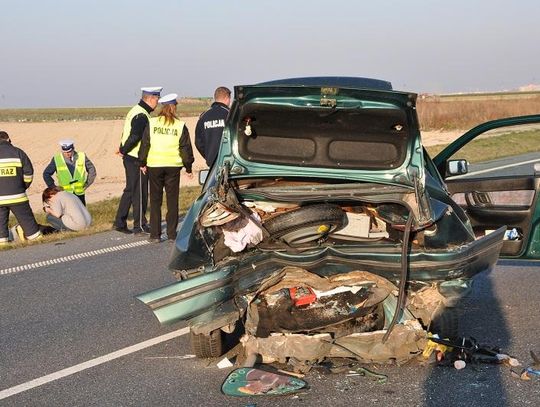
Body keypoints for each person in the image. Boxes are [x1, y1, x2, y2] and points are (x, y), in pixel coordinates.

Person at [138, 93, 194, 242]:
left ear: (162, 107)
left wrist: (142, 163)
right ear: (174, 107)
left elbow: (145, 144)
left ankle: (155, 235)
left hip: (155, 165)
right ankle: (172, 234)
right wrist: (188, 168)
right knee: (172, 200)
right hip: (173, 167)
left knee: (155, 201)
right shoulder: (180, 125)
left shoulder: (152, 123)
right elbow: (185, 149)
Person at [113, 86, 162, 235]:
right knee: (139, 192)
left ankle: (119, 222)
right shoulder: (141, 115)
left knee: (130, 190)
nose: (157, 103)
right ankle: (139, 225)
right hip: (136, 158)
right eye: (157, 99)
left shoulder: (135, 110)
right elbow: (134, 136)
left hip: (130, 157)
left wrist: (123, 149)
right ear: (150, 98)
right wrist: (124, 150)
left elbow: (126, 133)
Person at [0, 131, 42, 244]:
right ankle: (37, 243)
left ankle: (4, 247)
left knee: (0, 229)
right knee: (30, 226)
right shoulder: (18, 152)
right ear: (8, 140)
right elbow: (29, 173)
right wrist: (22, 187)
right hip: (18, 197)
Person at [43, 140, 96, 205]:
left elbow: (92, 170)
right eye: (64, 152)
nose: (67, 154)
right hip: (65, 194)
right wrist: (53, 187)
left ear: (73, 149)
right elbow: (46, 174)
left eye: (69, 151)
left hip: (79, 194)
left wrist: (87, 183)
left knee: (81, 214)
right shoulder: (56, 159)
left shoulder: (82, 156)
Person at [195, 86, 231, 167]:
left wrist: (208, 156)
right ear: (227, 98)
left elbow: (198, 142)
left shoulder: (204, 116)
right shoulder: (230, 114)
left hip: (211, 162)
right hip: (229, 161)